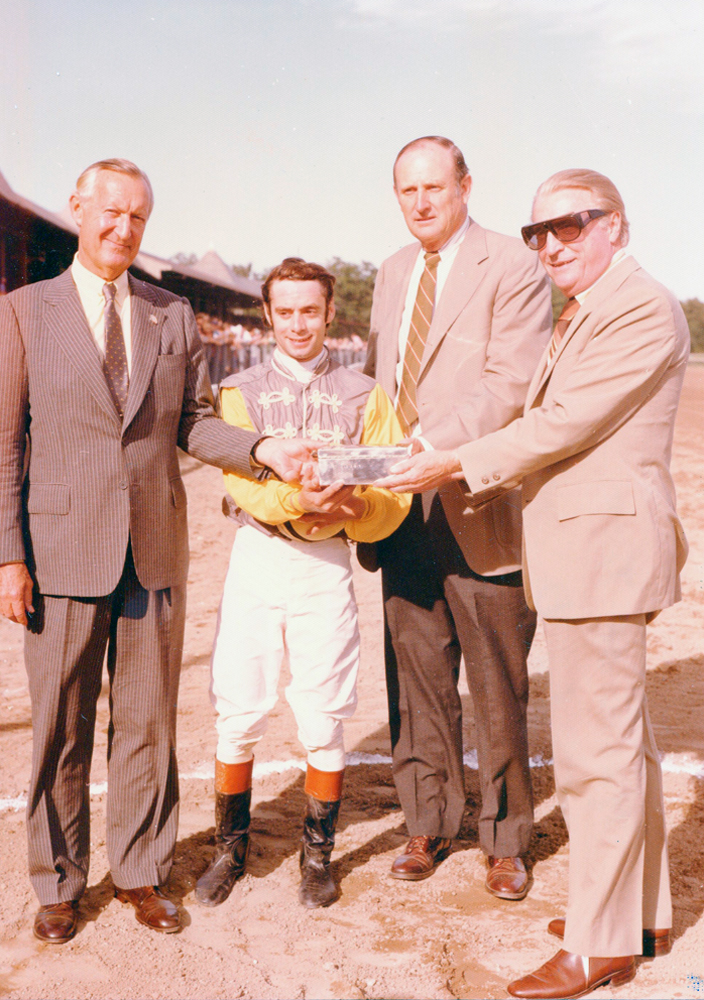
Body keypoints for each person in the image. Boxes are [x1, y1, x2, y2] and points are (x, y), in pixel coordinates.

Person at [377, 168, 688, 998]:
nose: (551, 245)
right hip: (591, 555)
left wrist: (453, 460)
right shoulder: (589, 306)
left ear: (614, 226)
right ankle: (636, 914)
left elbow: (560, 424)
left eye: (571, 226)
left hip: (604, 557)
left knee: (598, 758)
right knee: (626, 750)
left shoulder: (637, 307)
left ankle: (601, 943)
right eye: (537, 234)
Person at [0, 159, 314, 943]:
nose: (123, 228)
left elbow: (193, 424)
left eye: (138, 216)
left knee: (146, 722)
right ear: (78, 209)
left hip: (153, 550)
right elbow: (4, 447)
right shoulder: (22, 313)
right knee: (61, 727)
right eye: (110, 212)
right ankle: (59, 883)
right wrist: (9, 554)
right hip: (60, 550)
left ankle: (141, 872)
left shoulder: (171, 313)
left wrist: (263, 447)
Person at [360, 136, 551, 895]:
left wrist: (428, 446)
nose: (421, 202)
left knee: (496, 683)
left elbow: (509, 384)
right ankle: (427, 821)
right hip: (398, 507)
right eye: (406, 190)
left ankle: (505, 837)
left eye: (434, 187)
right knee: (417, 676)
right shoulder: (391, 271)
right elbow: (382, 387)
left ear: (465, 185)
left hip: (477, 499)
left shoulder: (512, 263)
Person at [194, 258, 410, 909]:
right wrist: (300, 504)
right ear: (268, 314)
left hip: (327, 562)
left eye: (308, 311)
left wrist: (352, 511)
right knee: (240, 706)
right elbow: (240, 485)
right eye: (283, 311)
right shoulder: (239, 388)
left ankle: (318, 857)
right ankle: (230, 848)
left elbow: (393, 490)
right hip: (260, 556)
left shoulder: (366, 393)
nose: (296, 323)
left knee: (324, 712)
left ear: (327, 312)